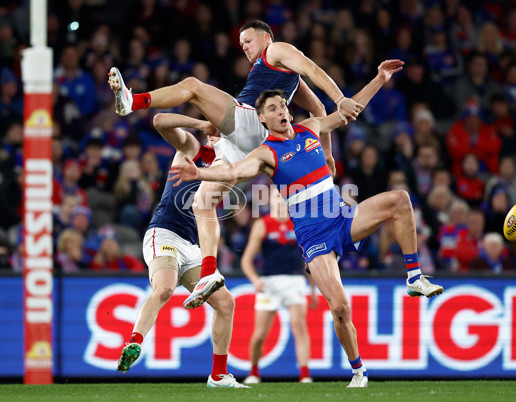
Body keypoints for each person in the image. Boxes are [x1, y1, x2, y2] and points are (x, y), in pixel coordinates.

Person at [169, 60, 444, 388]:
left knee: (400, 199)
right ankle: (358, 370)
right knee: (340, 307)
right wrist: (199, 173)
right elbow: (232, 172)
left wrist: (379, 78)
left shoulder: (311, 127)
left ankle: (414, 276)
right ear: (262, 118)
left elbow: (347, 111)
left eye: (283, 104)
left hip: (341, 217)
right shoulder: (265, 153)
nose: (282, 110)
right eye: (273, 108)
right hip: (314, 236)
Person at [109, 20, 363, 309]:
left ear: (266, 39)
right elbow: (317, 110)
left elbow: (313, 69)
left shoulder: (278, 50)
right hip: (241, 146)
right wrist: (326, 154)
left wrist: (340, 98)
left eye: (248, 41)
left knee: (193, 86)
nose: (244, 47)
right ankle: (209, 273)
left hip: (250, 123)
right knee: (202, 203)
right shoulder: (286, 78)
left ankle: (132, 101)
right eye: (241, 44)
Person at [116, 112, 250, 388]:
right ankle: (134, 342)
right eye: (219, 133)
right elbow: (159, 120)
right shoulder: (191, 148)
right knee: (164, 288)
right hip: (164, 233)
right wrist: (201, 124)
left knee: (226, 303)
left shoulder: (228, 168)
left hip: (192, 246)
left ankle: (218, 376)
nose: (221, 137)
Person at [240, 187, 316, 384]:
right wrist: (255, 280)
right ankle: (254, 371)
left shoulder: (298, 223)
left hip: (295, 281)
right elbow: (246, 261)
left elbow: (309, 260)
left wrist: (314, 289)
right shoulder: (263, 224)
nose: (281, 201)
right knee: (260, 334)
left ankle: (305, 374)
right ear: (270, 200)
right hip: (269, 282)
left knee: (300, 327)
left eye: (284, 198)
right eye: (277, 197)